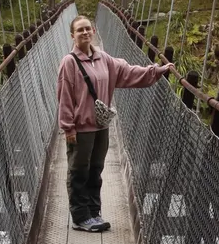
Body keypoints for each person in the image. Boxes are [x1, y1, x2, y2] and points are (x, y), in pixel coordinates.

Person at [56, 14, 170, 232]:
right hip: (80, 128)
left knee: (96, 170)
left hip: (101, 125)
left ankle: (94, 212)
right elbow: (64, 97)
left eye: (88, 28)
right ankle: (81, 218)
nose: (85, 33)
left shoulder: (103, 58)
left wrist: (155, 71)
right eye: (80, 30)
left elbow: (126, 72)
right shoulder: (69, 63)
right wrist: (68, 128)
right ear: (72, 35)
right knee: (79, 172)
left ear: (94, 31)